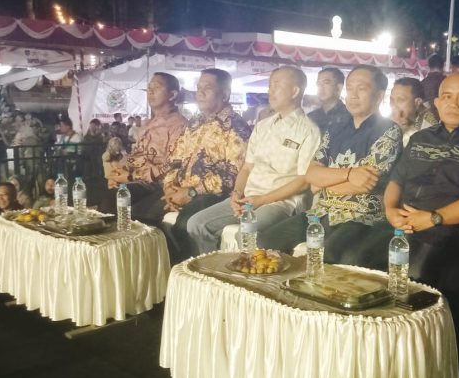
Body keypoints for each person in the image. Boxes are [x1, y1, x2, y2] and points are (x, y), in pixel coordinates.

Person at [384, 73, 459, 378]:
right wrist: (390, 210)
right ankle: (380, 354)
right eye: (446, 96)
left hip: (452, 228)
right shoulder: (420, 139)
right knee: (359, 258)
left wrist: (434, 218)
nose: (453, 103)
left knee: (415, 273)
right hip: (405, 223)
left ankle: (424, 366)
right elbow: (396, 180)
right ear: (436, 102)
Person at [258, 65, 402, 270]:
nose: (353, 95)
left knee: (332, 255)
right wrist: (349, 174)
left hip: (361, 216)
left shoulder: (388, 131)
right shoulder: (336, 129)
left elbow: (364, 185)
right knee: (266, 241)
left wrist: (324, 183)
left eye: (361, 88)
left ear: (379, 96)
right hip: (321, 212)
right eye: (349, 88)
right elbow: (311, 174)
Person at [186, 66, 321, 255]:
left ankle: (245, 271)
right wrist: (236, 193)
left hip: (279, 202)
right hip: (248, 198)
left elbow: (303, 181)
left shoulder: (309, 130)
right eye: (270, 85)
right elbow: (247, 168)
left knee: (246, 232)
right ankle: (212, 269)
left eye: (276, 85)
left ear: (294, 91)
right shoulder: (263, 126)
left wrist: (262, 200)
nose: (270, 91)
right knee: (196, 224)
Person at [160, 68, 251, 261]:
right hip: (180, 191)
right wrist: (169, 188)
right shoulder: (194, 122)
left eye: (207, 88)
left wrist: (191, 192)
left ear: (224, 95)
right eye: (198, 87)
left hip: (212, 195)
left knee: (184, 226)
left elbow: (232, 175)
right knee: (146, 218)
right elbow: (175, 160)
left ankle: (192, 273)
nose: (200, 93)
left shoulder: (236, 127)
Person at [98, 72, 186, 218]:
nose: (150, 91)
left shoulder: (179, 125)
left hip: (161, 184)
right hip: (139, 181)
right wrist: (119, 173)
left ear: (172, 95)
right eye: (149, 87)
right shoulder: (147, 124)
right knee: (106, 199)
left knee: (127, 208)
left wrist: (131, 176)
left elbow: (174, 164)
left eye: (156, 87)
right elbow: (137, 156)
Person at [389, 77, 438, 146]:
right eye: (391, 100)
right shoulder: (392, 118)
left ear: (417, 102)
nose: (394, 106)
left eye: (400, 100)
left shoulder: (429, 130)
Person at [307, 67, 351, 135]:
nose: (321, 87)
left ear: (339, 87)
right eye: (318, 84)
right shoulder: (311, 117)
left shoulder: (350, 117)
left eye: (326, 83)